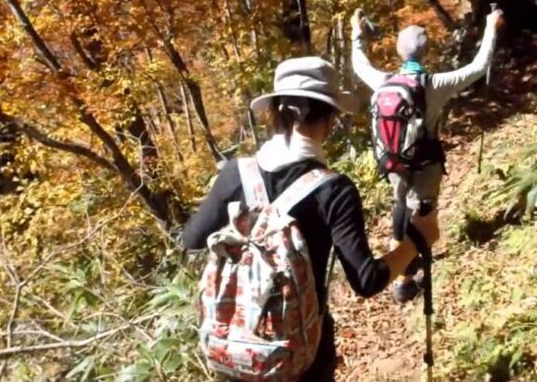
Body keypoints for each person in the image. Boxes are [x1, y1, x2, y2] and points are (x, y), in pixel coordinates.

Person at [182, 56, 439, 382]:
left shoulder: (235, 174)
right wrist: (417, 239)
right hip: (300, 357)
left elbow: (191, 241)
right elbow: (367, 280)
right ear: (327, 119)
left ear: (275, 113)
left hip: (236, 351)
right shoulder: (334, 190)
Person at [350, 8, 504, 303]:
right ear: (426, 51)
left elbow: (359, 64)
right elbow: (479, 66)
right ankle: (407, 280)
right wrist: (490, 27)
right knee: (424, 213)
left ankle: (402, 268)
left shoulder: (383, 82)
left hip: (392, 160)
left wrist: (356, 32)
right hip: (425, 163)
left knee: (401, 205)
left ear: (398, 51)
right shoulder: (434, 84)